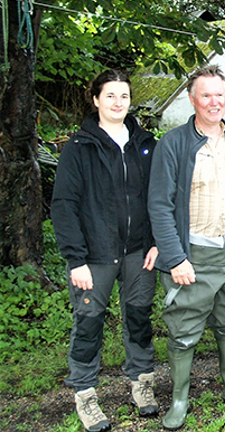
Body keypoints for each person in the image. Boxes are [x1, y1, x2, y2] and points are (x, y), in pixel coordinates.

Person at [148, 65, 225, 430]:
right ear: (192, 99)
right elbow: (159, 204)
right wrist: (175, 258)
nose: (214, 102)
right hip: (193, 257)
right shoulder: (174, 143)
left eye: (220, 95)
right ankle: (179, 399)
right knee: (184, 331)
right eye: (206, 95)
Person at [52, 69, 159, 432]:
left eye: (124, 96)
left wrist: (158, 242)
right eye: (110, 95)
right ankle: (85, 393)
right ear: (96, 99)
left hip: (140, 252)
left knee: (139, 318)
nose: (118, 103)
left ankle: (142, 383)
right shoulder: (80, 147)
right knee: (88, 323)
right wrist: (75, 259)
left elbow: (161, 198)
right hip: (94, 256)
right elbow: (64, 204)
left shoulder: (146, 144)